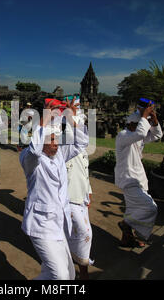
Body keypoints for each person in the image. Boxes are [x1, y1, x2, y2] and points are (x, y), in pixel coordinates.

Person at [20, 98, 88, 280]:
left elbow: (81, 144)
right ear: (40, 139)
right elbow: (34, 150)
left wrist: (72, 120)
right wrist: (44, 119)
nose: (56, 143)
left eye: (56, 138)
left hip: (60, 224)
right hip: (41, 226)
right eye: (50, 139)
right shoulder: (30, 159)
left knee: (66, 273)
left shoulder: (58, 155)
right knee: (61, 276)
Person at [114, 104, 163, 248]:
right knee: (150, 208)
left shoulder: (137, 136)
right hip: (129, 179)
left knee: (132, 209)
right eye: (141, 123)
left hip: (138, 178)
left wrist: (154, 120)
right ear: (130, 124)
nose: (144, 127)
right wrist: (144, 116)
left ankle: (126, 238)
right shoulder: (123, 136)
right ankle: (127, 224)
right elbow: (141, 133)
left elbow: (157, 135)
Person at [65, 108, 94, 280]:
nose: (82, 125)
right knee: (85, 233)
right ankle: (81, 269)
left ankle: (80, 269)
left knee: (75, 233)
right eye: (79, 121)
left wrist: (88, 191)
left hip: (81, 195)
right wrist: (69, 115)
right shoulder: (65, 144)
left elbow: (85, 171)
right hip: (68, 196)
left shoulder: (82, 149)